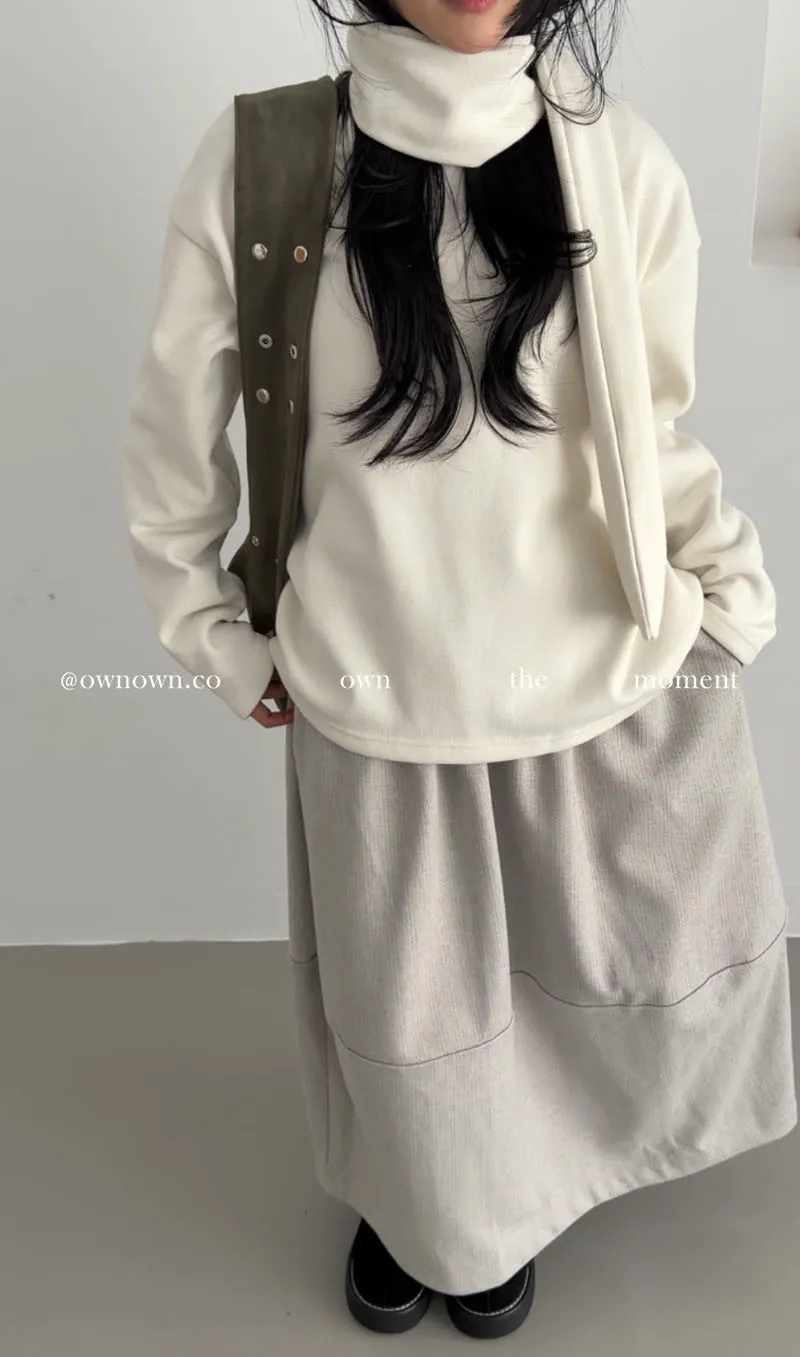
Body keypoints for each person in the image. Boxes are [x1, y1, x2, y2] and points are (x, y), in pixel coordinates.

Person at [122, 0, 798, 1340]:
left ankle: (522, 1188)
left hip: (599, 670)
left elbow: (650, 423)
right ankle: (427, 1204)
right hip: (378, 688)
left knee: (606, 959)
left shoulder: (619, 157)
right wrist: (211, 636)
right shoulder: (265, 164)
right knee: (411, 1005)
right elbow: (171, 440)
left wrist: (726, 583)